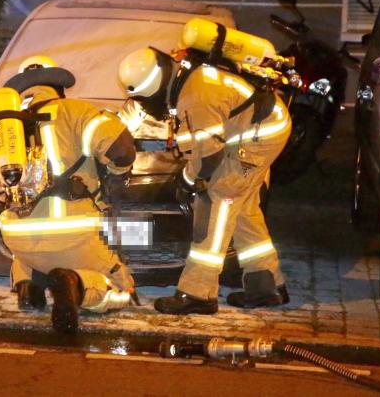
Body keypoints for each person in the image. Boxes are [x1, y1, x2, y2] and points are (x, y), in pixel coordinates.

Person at [117, 47, 291, 314]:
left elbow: (207, 160)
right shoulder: (190, 79)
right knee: (243, 209)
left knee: (217, 204)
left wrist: (186, 182)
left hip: (261, 137)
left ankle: (198, 294)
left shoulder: (193, 98)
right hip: (260, 128)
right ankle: (267, 287)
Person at [0, 55, 137, 333]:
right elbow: (122, 150)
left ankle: (28, 286)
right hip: (73, 235)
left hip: (20, 241)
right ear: (58, 86)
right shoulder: (75, 111)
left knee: (31, 250)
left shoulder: (7, 133)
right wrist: (119, 175)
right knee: (122, 287)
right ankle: (75, 285)